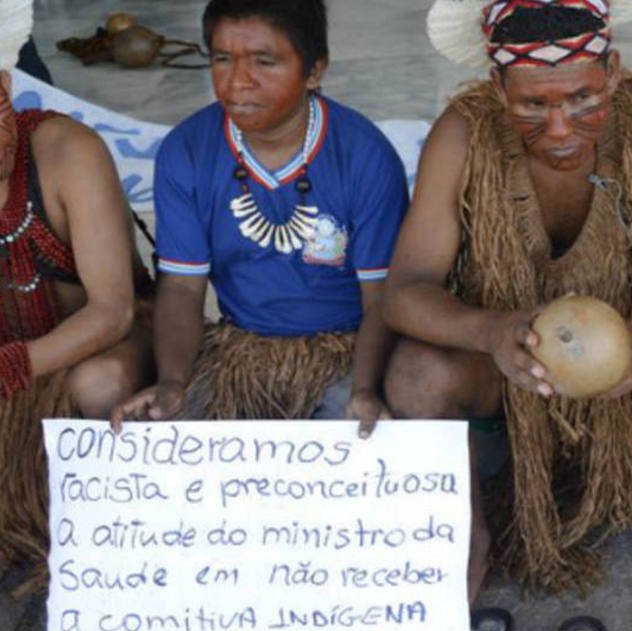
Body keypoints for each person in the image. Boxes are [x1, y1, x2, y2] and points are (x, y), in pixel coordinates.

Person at [385, 0, 632, 602]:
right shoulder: (462, 132)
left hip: (629, 361)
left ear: (613, 70)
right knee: (416, 376)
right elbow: (405, 291)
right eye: (533, 104)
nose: (559, 129)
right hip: (503, 371)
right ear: (497, 85)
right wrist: (489, 333)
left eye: (583, 100)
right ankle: (469, 529)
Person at [113, 0, 407, 432]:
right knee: (162, 428)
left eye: (264, 62)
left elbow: (381, 297)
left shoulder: (364, 155)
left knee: (349, 437)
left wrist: (364, 389)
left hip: (351, 352)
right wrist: (172, 383)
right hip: (240, 349)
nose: (238, 82)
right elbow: (180, 285)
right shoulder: (188, 150)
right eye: (222, 60)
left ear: (314, 71)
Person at [0, 0, 153, 591]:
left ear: (6, 84)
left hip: (103, 349)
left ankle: (122, 543)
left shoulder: (68, 152)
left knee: (99, 382)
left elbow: (114, 311)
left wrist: (13, 367)